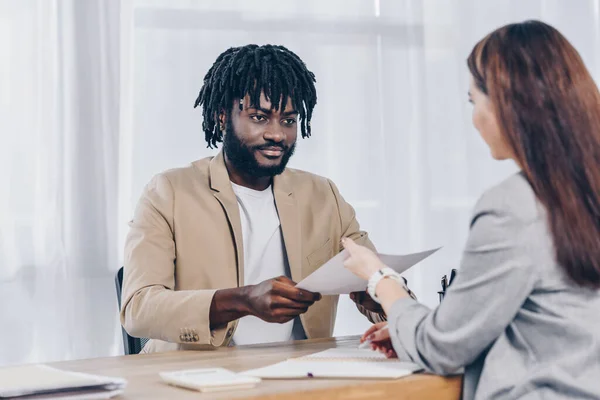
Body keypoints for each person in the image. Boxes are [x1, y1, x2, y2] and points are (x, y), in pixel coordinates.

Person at [342, 20, 600, 399]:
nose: (474, 118)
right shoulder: (583, 192)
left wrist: (380, 278)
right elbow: (551, 323)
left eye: (473, 100)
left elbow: (441, 348)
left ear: (509, 105)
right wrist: (410, 329)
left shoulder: (512, 206)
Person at [120, 44, 409, 354]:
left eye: (288, 121)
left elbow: (386, 282)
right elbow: (138, 308)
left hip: (300, 376)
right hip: (197, 378)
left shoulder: (322, 195)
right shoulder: (169, 192)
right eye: (259, 118)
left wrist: (381, 297)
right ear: (222, 116)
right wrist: (242, 300)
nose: (276, 134)